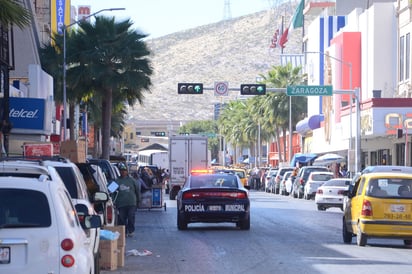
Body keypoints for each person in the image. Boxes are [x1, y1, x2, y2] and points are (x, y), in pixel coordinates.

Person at [115, 163, 140, 237]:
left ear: (127, 171)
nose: (123, 172)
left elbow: (137, 191)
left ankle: (131, 231)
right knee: (122, 219)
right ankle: (124, 232)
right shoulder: (117, 181)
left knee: (131, 216)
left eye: (124, 170)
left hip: (131, 203)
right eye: (121, 170)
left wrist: (138, 200)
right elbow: (111, 191)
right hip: (121, 204)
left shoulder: (132, 180)